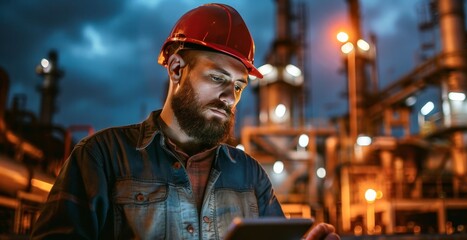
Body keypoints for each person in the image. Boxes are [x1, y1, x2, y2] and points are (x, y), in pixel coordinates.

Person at [31, 3, 339, 240]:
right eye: (218, 78)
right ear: (177, 69)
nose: (230, 98)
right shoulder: (102, 158)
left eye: (238, 86)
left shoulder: (250, 175)